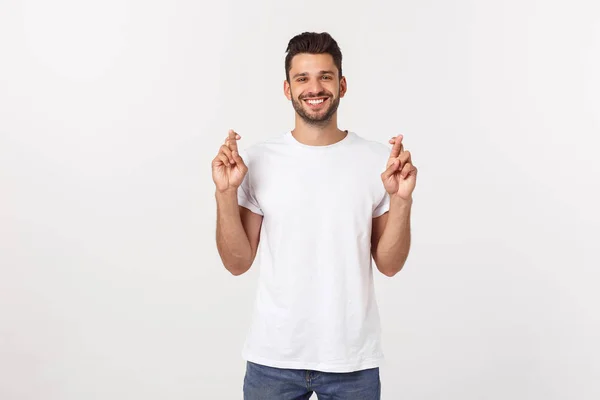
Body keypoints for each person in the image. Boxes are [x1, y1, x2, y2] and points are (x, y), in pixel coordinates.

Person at [212, 31, 417, 400]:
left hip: (352, 361)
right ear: (288, 89)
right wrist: (225, 192)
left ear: (342, 84)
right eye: (302, 78)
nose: (314, 87)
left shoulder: (375, 160)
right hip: (273, 357)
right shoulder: (258, 160)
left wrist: (401, 200)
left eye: (324, 76)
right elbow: (237, 262)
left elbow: (389, 264)